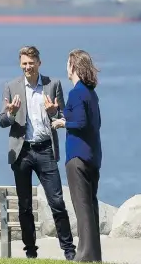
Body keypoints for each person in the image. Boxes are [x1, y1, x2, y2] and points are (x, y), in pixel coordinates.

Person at [0, 46, 76, 260]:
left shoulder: (53, 84)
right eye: (24, 63)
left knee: (57, 202)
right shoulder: (11, 86)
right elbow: (1, 121)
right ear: (20, 64)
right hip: (22, 152)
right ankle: (30, 252)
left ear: (39, 63)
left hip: (45, 150)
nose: (27, 67)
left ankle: (69, 250)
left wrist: (53, 113)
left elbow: (62, 115)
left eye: (31, 63)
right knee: (25, 206)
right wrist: (10, 114)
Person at [52, 49, 102, 262]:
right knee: (90, 207)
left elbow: (79, 123)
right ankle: (94, 255)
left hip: (77, 158)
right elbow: (91, 121)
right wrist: (58, 112)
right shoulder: (90, 92)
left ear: (73, 66)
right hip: (92, 157)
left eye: (67, 63)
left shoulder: (76, 92)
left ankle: (85, 256)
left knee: (82, 208)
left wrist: (62, 123)